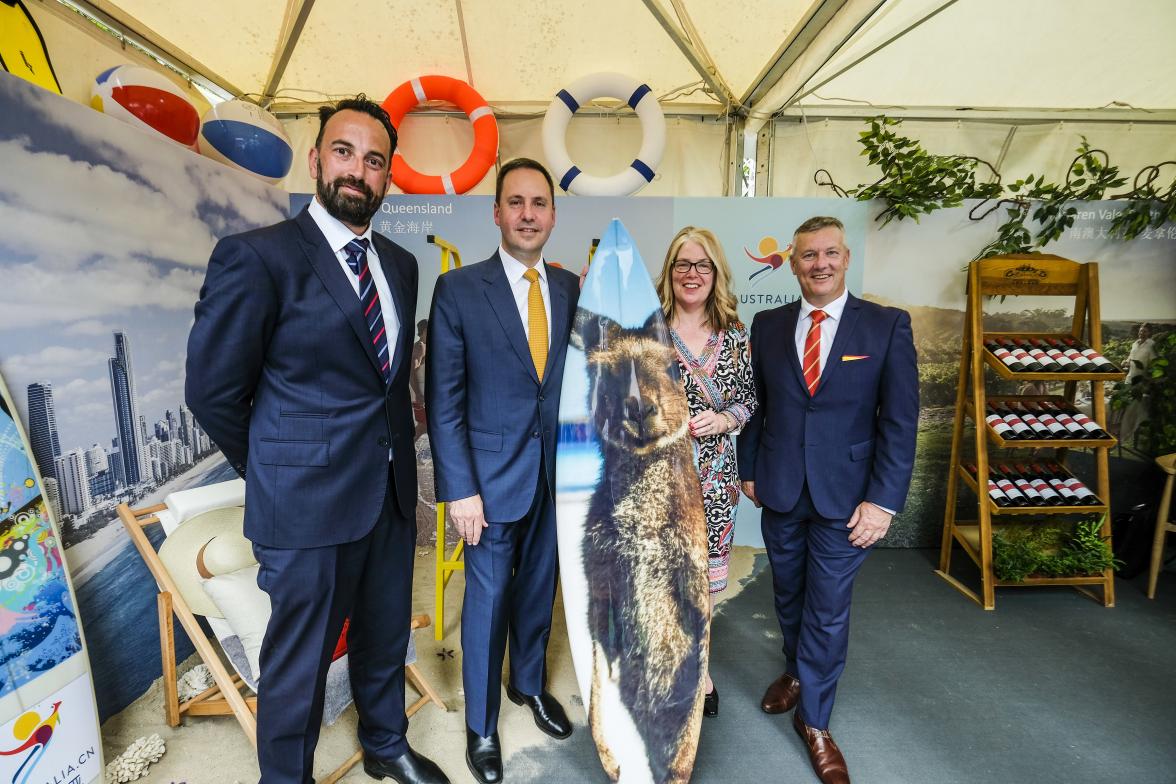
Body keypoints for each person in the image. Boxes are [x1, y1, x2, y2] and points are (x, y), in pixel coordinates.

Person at [186, 97, 448, 784]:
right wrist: (278, 469)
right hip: (303, 507)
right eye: (343, 152)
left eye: (374, 160)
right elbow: (212, 392)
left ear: (387, 177)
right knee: (298, 664)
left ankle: (387, 746)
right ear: (315, 160)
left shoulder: (399, 265)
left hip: (388, 498)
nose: (357, 170)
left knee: (384, 637)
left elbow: (385, 383)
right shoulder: (257, 257)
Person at [737, 216, 918, 784]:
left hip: (849, 499)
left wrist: (883, 502)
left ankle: (815, 721)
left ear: (846, 258)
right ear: (793, 263)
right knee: (788, 594)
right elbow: (756, 404)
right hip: (782, 489)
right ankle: (796, 671)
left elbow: (900, 421)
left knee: (827, 606)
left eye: (830, 253)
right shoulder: (766, 325)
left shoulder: (887, 326)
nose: (819, 264)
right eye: (808, 255)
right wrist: (749, 470)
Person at [426, 158, 580, 784]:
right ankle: (482, 726)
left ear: (552, 214)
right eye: (514, 202)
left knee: (541, 590)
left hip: (556, 477)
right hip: (486, 487)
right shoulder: (460, 290)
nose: (527, 214)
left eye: (538, 203)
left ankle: (529, 685)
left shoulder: (570, 289)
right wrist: (459, 488)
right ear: (496, 213)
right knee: (487, 606)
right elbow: (443, 399)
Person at [655, 226, 756, 719]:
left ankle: (699, 668)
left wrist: (725, 418)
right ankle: (663, 666)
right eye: (682, 264)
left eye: (702, 265)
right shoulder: (647, 327)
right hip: (658, 476)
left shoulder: (734, 333)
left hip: (715, 477)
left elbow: (749, 400)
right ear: (670, 272)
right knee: (664, 574)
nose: (691, 274)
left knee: (706, 580)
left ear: (715, 273)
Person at [1121, 322, 1158, 445]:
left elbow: (1154, 364)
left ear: (1149, 333)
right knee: (1124, 406)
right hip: (1129, 379)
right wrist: (1125, 362)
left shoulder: (1152, 345)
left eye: (1145, 331)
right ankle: (1121, 433)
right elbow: (1130, 358)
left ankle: (1128, 434)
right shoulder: (1134, 344)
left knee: (1133, 409)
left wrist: (1149, 378)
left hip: (1140, 382)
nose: (1141, 333)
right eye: (1141, 331)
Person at [411, 318, 429, 439]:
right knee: (423, 426)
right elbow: (412, 371)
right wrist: (418, 394)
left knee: (424, 426)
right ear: (423, 331)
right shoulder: (420, 346)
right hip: (420, 396)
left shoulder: (426, 346)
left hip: (423, 395)